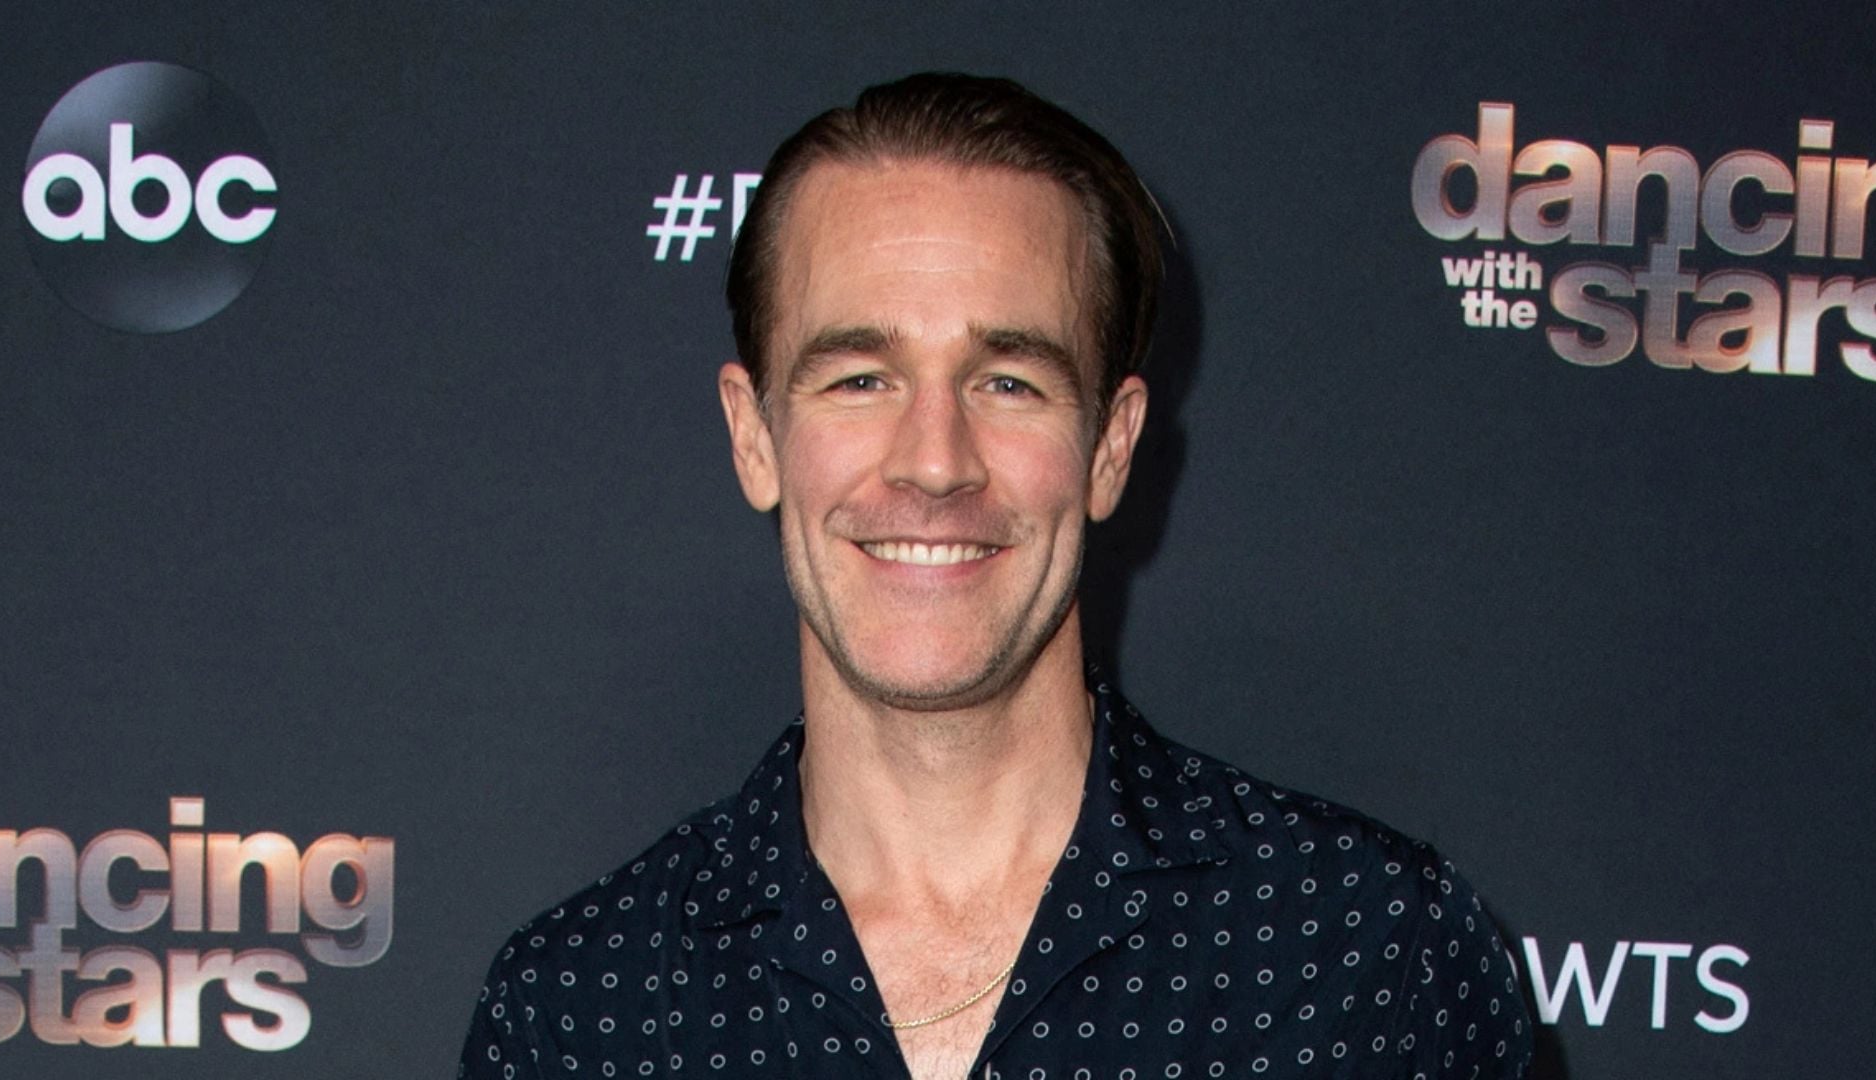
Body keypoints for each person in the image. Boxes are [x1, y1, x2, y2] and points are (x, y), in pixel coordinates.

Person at [459, 72, 1533, 1080]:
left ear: (1110, 447)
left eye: (1009, 381)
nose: (935, 461)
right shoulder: (581, 1013)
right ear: (754, 435)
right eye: (860, 378)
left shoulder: (1367, 959)